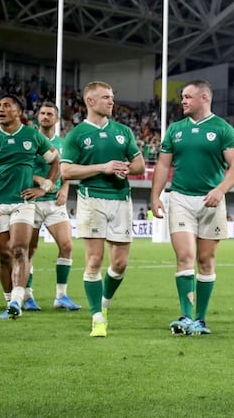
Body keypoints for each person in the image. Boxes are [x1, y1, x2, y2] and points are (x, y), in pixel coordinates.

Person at [152, 80, 234, 336]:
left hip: (211, 200)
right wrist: (155, 196)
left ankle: (200, 319)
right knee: (184, 257)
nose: (183, 101)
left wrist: (220, 190)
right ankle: (185, 315)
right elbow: (162, 165)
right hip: (180, 198)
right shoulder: (175, 130)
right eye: (182, 96)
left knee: (206, 260)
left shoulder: (223, 129)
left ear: (204, 97)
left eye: (188, 96)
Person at [60, 81, 144, 337]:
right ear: (91, 101)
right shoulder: (76, 135)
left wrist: (124, 168)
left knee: (120, 263)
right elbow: (66, 170)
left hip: (121, 199)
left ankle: (104, 304)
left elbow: (139, 165)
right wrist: (102, 167)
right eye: (106, 97)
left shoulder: (123, 131)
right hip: (91, 198)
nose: (111, 101)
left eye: (112, 96)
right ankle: (97, 317)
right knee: (94, 260)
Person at [0, 95, 60, 320]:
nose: (0, 109)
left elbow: (55, 161)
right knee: (4, 256)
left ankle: (16, 301)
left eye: (6, 106)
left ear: (18, 112)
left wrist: (45, 188)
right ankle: (8, 301)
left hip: (23, 203)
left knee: (20, 250)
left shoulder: (32, 135)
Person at [26, 101, 81, 311]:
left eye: (50, 114)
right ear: (37, 117)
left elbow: (66, 169)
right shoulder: (29, 140)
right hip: (30, 200)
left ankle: (61, 296)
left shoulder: (63, 143)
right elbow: (20, 169)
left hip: (54, 203)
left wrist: (65, 188)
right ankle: (28, 296)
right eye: (42, 113)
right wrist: (39, 179)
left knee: (67, 246)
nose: (45, 116)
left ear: (57, 119)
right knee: (29, 250)